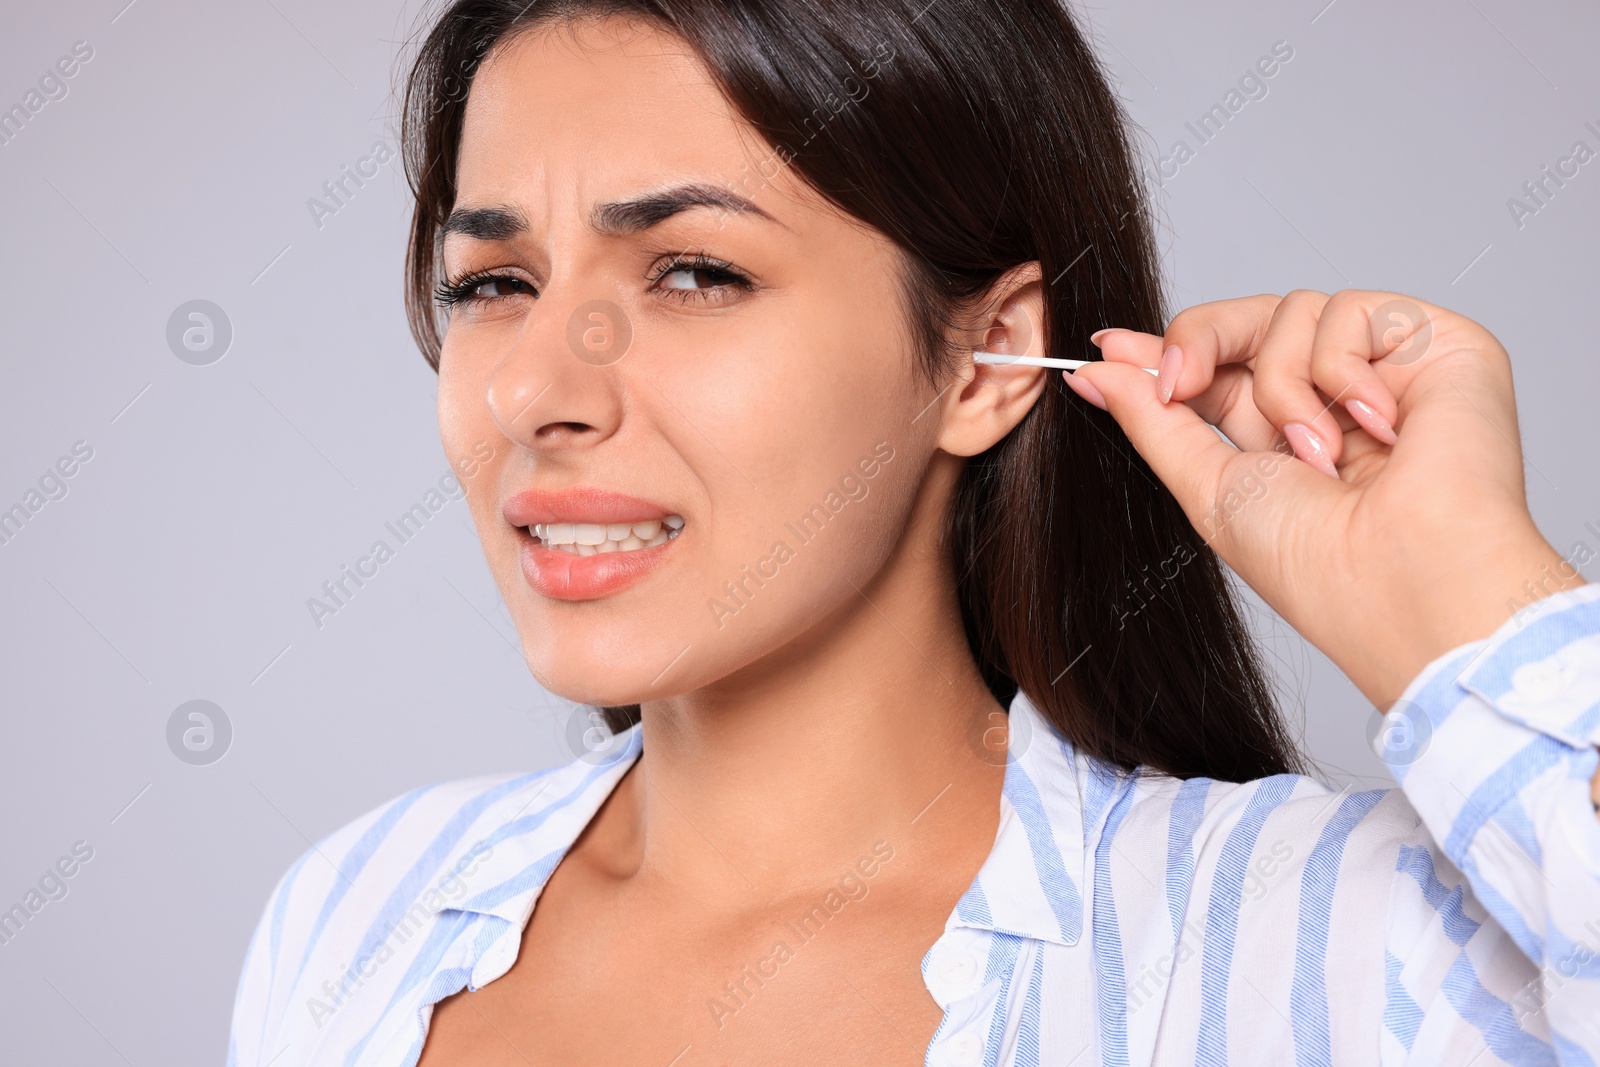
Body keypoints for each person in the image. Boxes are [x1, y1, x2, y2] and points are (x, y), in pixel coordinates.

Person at [227, 1, 1600, 1063]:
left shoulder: (1341, 939)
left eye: (696, 271)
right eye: (495, 281)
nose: (534, 389)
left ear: (989, 358)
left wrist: (1472, 605)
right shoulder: (359, 918)